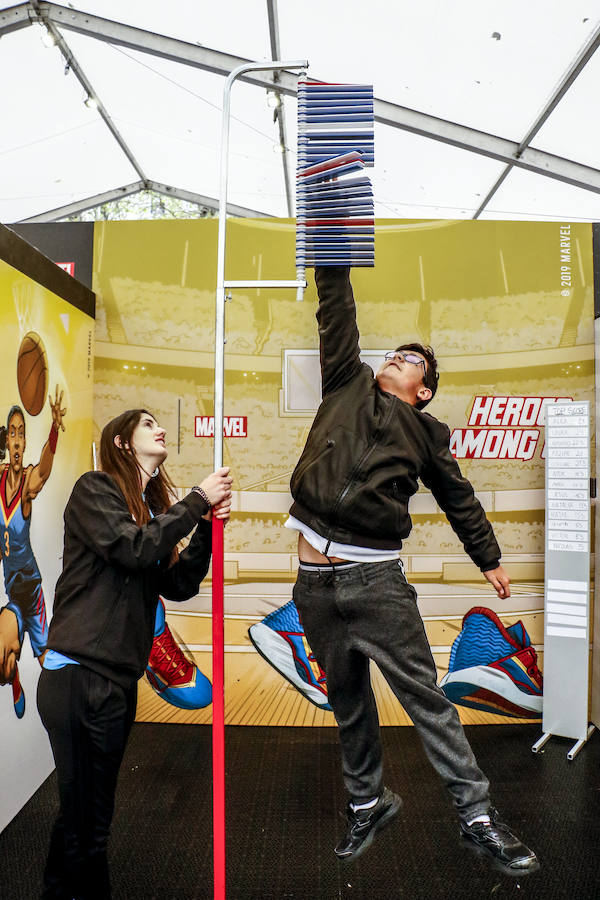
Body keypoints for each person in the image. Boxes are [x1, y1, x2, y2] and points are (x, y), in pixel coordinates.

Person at [286, 267, 538, 873]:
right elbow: (335, 311)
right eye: (394, 354)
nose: (397, 359)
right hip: (313, 585)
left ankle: (478, 817)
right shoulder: (345, 383)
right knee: (347, 701)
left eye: (411, 362)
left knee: (427, 702)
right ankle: (369, 801)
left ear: (423, 390)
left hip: (377, 584)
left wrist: (490, 558)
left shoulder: (426, 433)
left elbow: (460, 499)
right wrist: (332, 250)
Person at [36, 408, 232, 900]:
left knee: (80, 815)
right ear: (122, 443)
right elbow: (134, 550)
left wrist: (206, 526)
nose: (159, 427)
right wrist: (195, 500)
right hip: (80, 678)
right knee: (91, 826)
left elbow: (178, 582)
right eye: (147, 423)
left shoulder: (144, 514)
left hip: (115, 685)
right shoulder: (95, 489)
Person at [0, 388, 66, 718]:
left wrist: (53, 430)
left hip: (32, 592)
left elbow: (45, 469)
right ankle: (13, 682)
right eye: (11, 432)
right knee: (1, 657)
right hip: (12, 589)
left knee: (47, 664)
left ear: (25, 443)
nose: (16, 440)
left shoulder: (27, 482)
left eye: (21, 433)